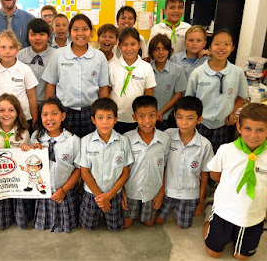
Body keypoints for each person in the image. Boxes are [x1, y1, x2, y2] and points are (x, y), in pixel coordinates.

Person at [204, 103, 267, 259]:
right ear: (238, 127)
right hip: (224, 211)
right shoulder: (226, 150)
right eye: (248, 129)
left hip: (253, 215)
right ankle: (209, 221)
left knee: (241, 257)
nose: (253, 135)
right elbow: (214, 175)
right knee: (213, 253)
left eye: (260, 130)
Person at [42, 14, 109, 138]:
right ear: (69, 32)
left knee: (90, 148)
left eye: (85, 29)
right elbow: (51, 84)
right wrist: (49, 112)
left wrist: (102, 113)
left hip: (91, 112)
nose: (80, 33)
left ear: (91, 32)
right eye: (75, 29)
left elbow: (103, 87)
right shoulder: (58, 55)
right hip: (64, 112)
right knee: (66, 148)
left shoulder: (99, 57)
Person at [186, 29, 248, 153]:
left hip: (224, 125)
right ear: (210, 46)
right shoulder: (198, 73)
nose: (221, 48)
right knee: (197, 156)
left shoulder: (237, 72)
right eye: (217, 44)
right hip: (201, 123)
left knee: (219, 159)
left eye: (226, 44)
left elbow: (242, 96)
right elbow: (189, 100)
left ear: (233, 48)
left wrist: (232, 112)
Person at [155, 96, 214, 229]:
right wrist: (160, 192)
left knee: (183, 226)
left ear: (199, 119)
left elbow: (205, 174)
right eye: (180, 117)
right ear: (174, 115)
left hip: (190, 194)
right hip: (168, 190)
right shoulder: (167, 136)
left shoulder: (204, 145)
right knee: (157, 221)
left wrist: (201, 200)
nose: (184, 122)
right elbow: (161, 165)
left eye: (190, 118)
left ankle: (207, 208)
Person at [75, 98, 133, 231]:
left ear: (116, 119)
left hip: (114, 193)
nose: (105, 122)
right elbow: (84, 172)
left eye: (109, 117)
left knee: (116, 227)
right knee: (88, 227)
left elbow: (125, 173)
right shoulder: (86, 141)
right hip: (91, 193)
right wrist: (100, 197)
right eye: (100, 118)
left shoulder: (123, 141)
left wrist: (109, 196)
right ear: (93, 120)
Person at [29, 96, 80, 232]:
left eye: (54, 113)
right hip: (43, 191)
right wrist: (30, 151)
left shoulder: (73, 140)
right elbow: (28, 163)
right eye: (45, 114)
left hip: (65, 191)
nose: (49, 118)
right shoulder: (35, 137)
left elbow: (78, 169)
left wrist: (63, 190)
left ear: (63, 116)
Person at [0, 93, 34, 229]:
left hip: (17, 180)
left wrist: (26, 149)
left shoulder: (24, 133)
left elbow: (28, 158)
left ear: (18, 113)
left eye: (11, 110)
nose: (6, 114)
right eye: (2, 110)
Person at [122, 95, 170, 228]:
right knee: (126, 224)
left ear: (158, 115)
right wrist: (122, 193)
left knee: (148, 223)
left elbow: (164, 167)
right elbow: (121, 169)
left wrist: (160, 193)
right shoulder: (127, 139)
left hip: (152, 191)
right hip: (131, 190)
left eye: (152, 115)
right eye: (141, 116)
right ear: (134, 118)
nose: (147, 121)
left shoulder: (165, 139)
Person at [109, 27, 156, 134]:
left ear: (139, 44)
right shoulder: (112, 67)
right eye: (125, 44)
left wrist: (145, 118)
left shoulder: (146, 67)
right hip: (116, 118)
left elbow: (149, 97)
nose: (129, 48)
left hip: (138, 119)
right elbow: (106, 92)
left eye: (133, 44)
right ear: (119, 46)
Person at [0, 30, 38, 127]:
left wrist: (35, 123)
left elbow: (32, 97)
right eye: (3, 47)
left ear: (18, 49)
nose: (7, 51)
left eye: (11, 47)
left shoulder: (25, 69)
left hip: (22, 120)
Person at [149, 34, 187, 130]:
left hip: (167, 117)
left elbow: (178, 94)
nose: (160, 53)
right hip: (148, 117)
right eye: (156, 49)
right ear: (152, 52)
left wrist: (161, 112)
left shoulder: (177, 70)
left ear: (169, 51)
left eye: (164, 49)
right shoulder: (147, 69)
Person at [17, 19, 56, 105]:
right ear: (27, 36)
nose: (37, 38)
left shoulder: (57, 55)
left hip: (50, 104)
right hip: (24, 105)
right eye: (33, 34)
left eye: (42, 34)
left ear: (48, 35)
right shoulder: (20, 56)